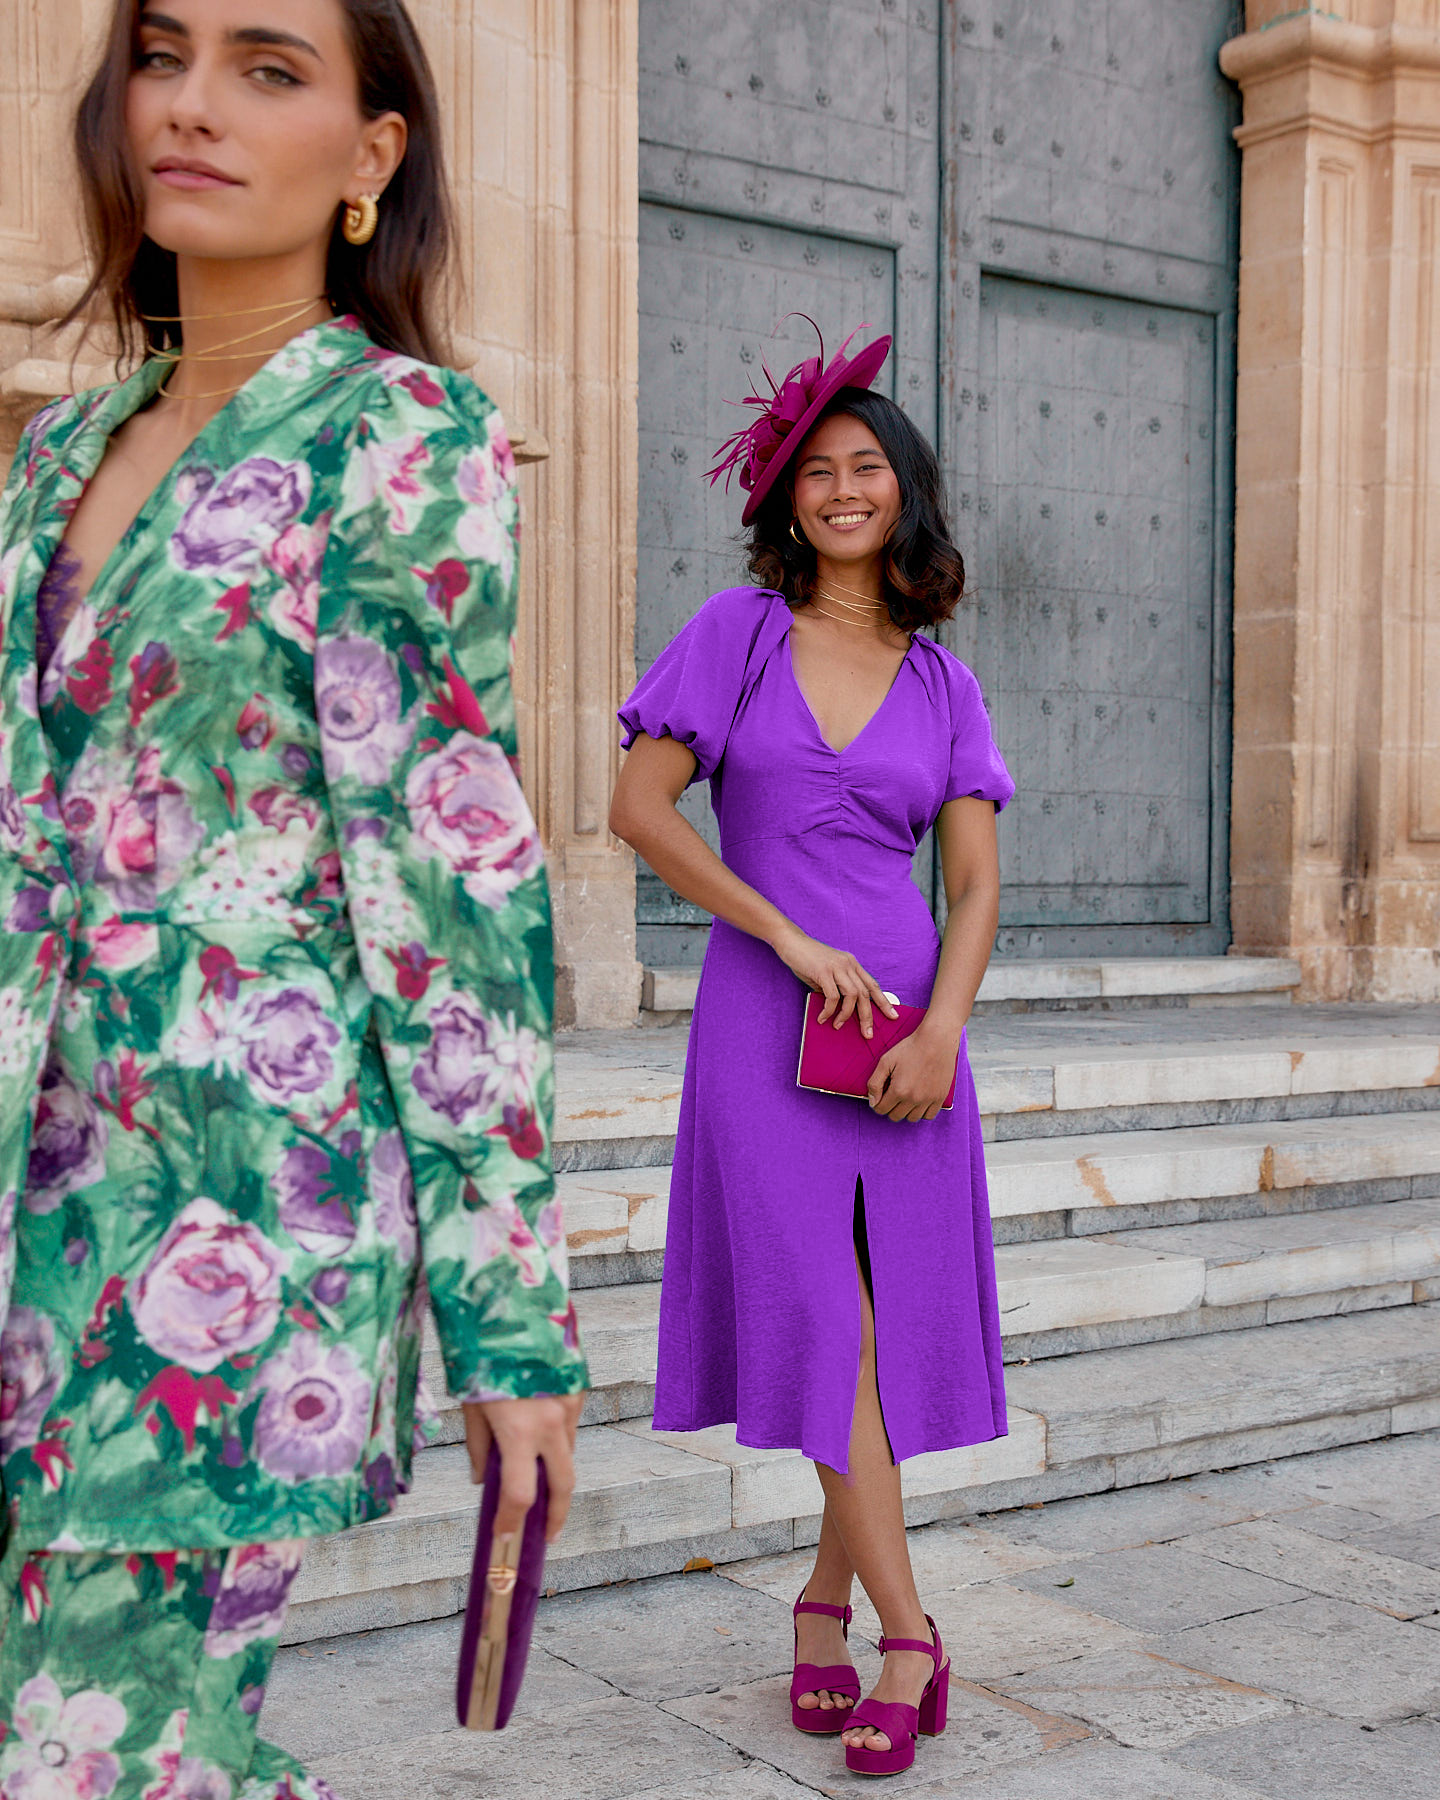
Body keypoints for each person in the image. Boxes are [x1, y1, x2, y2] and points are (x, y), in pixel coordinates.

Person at [0, 2, 587, 1793]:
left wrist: (508, 1312)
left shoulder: (403, 440)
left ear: (371, 155)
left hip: (228, 1226)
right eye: (162, 56)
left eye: (269, 70)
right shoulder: (48, 459)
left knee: (96, 1752)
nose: (189, 106)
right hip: (26, 1193)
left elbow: (453, 883)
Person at [609, 324, 1013, 1779]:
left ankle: (824, 1605)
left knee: (881, 1330)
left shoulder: (944, 685)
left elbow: (971, 887)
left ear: (905, 492)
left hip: (904, 1028)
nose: (844, 490)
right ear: (786, 498)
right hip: (763, 1013)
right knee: (823, 1319)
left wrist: (947, 1027)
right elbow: (642, 812)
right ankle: (914, 1631)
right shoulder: (736, 633)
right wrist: (781, 936)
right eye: (818, 471)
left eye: (869, 468)